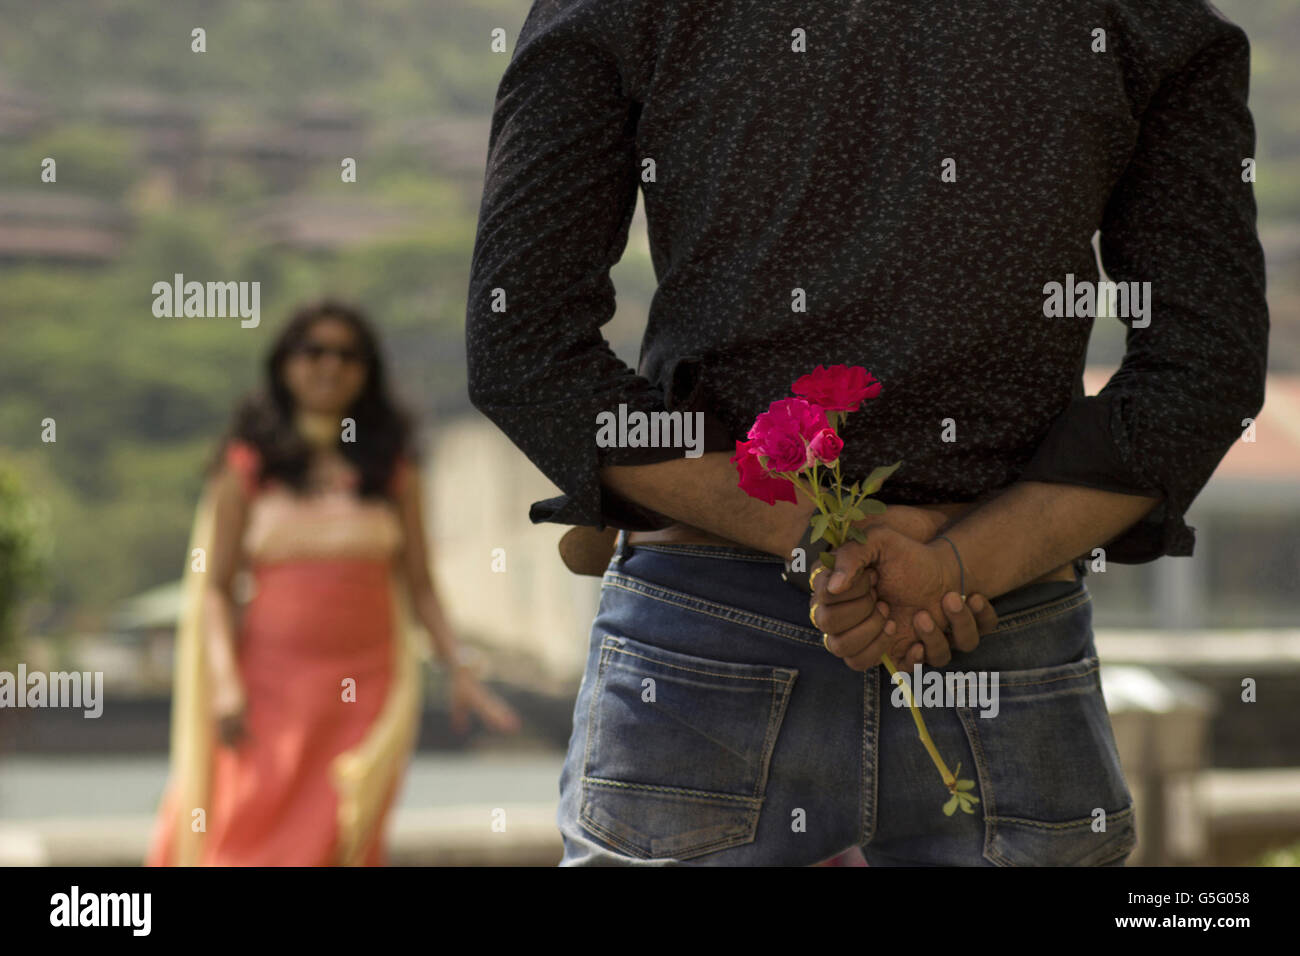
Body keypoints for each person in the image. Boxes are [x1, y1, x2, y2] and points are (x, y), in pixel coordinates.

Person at [465, 1, 1268, 865]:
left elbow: (523, 345)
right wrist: (952, 564)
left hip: (702, 644)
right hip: (999, 627)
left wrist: (820, 540)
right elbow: (1205, 367)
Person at [147, 299, 520, 866]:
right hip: (268, 685)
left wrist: (459, 666)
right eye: (313, 351)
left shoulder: (391, 466)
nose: (330, 366)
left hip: (367, 687)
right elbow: (217, 588)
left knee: (340, 833)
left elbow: (420, 584)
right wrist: (224, 682)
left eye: (348, 355)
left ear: (366, 372)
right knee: (252, 827)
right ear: (285, 363)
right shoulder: (249, 463)